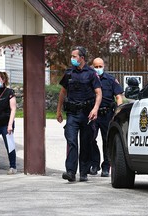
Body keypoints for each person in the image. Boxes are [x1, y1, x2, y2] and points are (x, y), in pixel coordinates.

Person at [56, 46, 102, 182]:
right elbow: (62, 92)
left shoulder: (91, 73)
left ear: (82, 58)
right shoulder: (69, 73)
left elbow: (99, 93)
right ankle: (70, 171)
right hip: (72, 114)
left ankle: (83, 172)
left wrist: (95, 109)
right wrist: (58, 110)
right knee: (71, 141)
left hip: (87, 114)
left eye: (74, 56)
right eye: (71, 56)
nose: (72, 59)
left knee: (86, 142)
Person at [89, 57, 124, 177]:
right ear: (92, 66)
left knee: (106, 140)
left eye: (100, 66)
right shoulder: (90, 79)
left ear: (104, 66)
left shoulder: (110, 80)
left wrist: (118, 112)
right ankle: (94, 164)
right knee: (90, 139)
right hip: (93, 114)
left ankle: (106, 166)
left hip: (106, 114)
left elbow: (119, 96)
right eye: (96, 66)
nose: (98, 69)